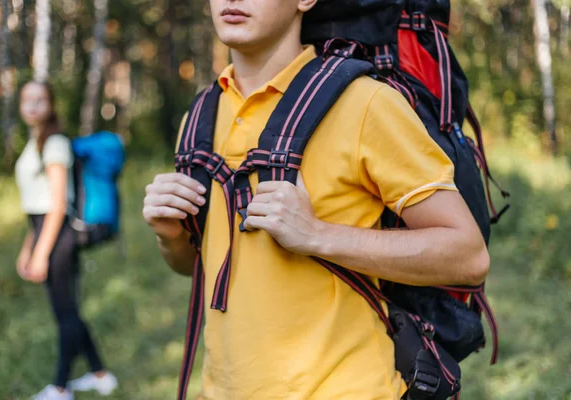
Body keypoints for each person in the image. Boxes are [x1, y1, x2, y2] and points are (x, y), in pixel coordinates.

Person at [143, 0, 490, 398]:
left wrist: (319, 235)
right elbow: (196, 265)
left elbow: (468, 256)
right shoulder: (200, 116)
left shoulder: (362, 103)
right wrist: (170, 234)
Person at [15, 81, 118, 400]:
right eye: (26, 100)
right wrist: (27, 248)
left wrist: (42, 253)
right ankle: (101, 375)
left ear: (51, 104)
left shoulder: (55, 143)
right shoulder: (36, 140)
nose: (32, 106)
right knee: (67, 311)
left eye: (40, 100)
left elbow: (57, 204)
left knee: (66, 314)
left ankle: (60, 388)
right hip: (45, 231)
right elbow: (37, 205)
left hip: (59, 235)